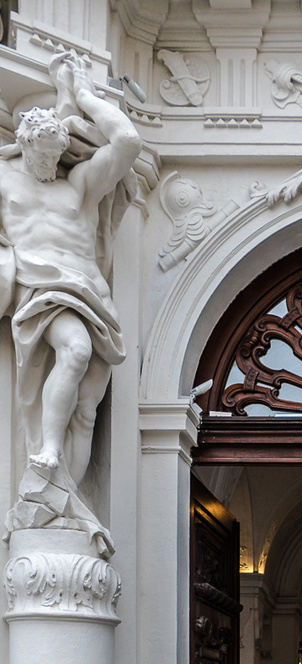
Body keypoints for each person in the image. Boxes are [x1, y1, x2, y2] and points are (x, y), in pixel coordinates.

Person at [0, 49, 141, 487]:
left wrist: (80, 93)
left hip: (92, 293)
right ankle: (48, 447)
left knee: (86, 410)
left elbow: (128, 143)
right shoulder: (4, 181)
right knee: (75, 351)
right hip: (43, 289)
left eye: (56, 153)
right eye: (41, 155)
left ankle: (64, 505)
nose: (49, 164)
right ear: (23, 145)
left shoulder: (79, 185)